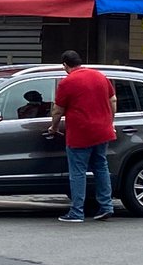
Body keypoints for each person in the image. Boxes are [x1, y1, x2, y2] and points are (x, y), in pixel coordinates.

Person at [48, 50, 116, 223]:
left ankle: (77, 212)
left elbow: (57, 110)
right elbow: (113, 100)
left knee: (78, 172)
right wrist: (110, 122)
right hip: (102, 131)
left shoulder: (67, 82)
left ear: (65, 65)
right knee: (101, 166)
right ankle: (106, 206)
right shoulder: (100, 76)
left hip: (80, 132)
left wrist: (53, 127)